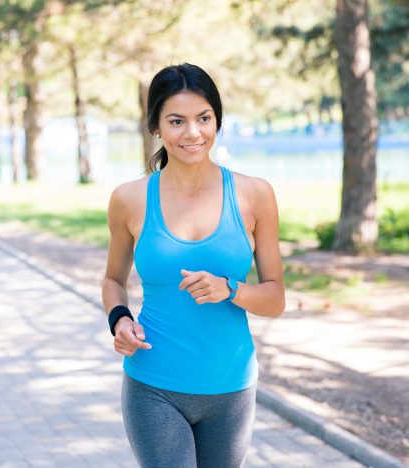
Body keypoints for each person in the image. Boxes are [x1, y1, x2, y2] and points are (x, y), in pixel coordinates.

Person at [101, 63, 285, 468]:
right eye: (176, 121)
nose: (193, 133)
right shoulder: (129, 199)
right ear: (155, 127)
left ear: (217, 121)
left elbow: (275, 298)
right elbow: (114, 280)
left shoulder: (255, 195)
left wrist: (231, 289)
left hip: (231, 388)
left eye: (204, 118)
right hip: (154, 384)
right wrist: (119, 320)